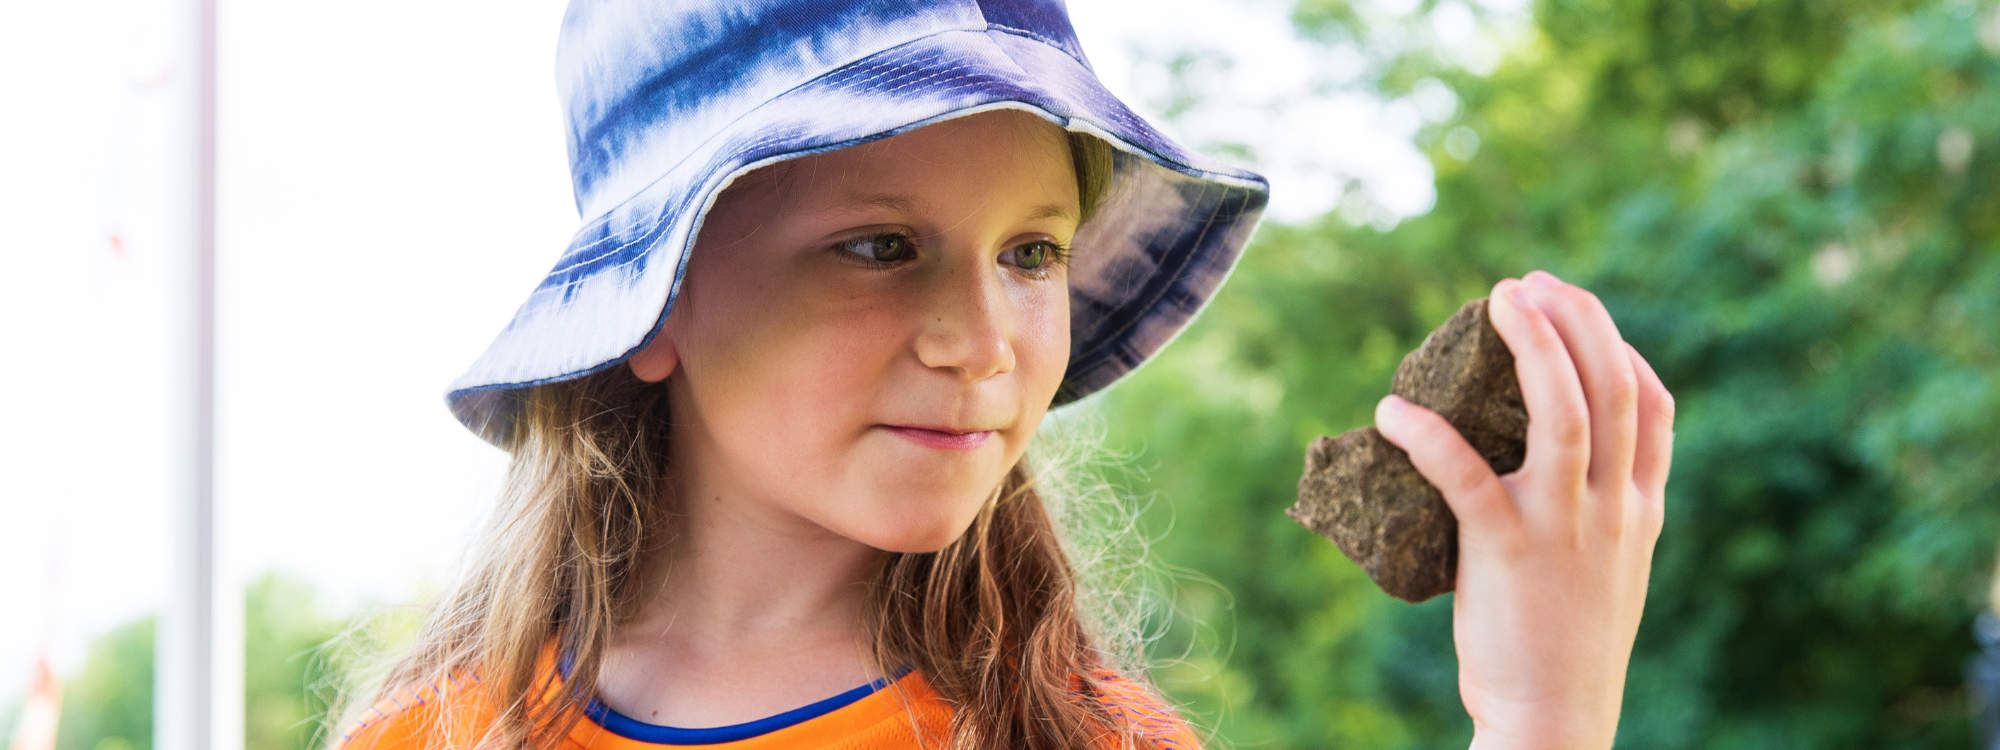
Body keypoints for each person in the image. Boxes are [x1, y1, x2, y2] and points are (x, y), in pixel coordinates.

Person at [332, 1, 1672, 749]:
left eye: (1032, 250)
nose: (982, 339)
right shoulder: (433, 736)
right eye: (879, 245)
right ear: (657, 294)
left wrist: (1541, 716)